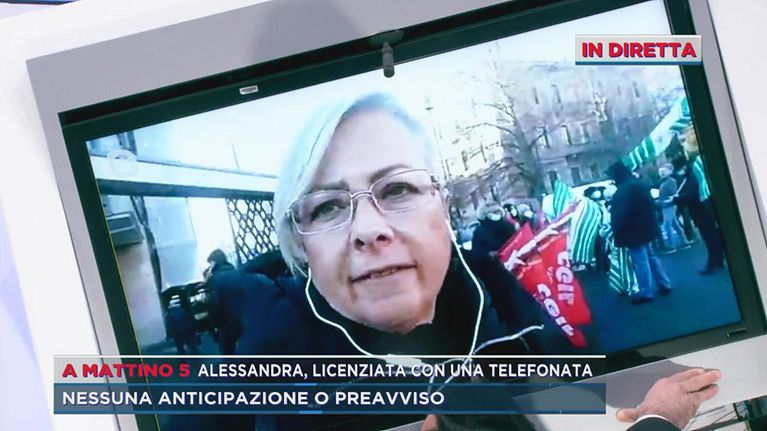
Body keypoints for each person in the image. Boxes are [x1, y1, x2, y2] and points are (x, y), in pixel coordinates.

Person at [171, 93, 720, 431]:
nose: (368, 229)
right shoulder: (247, 388)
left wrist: (651, 408)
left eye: (398, 189)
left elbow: (596, 399)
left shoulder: (510, 307)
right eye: (328, 206)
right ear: (300, 244)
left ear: (442, 205)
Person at [607, 161, 672, 304]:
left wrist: (616, 231)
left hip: (632, 231)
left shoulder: (622, 191)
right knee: (651, 256)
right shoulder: (639, 184)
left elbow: (620, 216)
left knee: (640, 261)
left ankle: (646, 292)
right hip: (647, 227)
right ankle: (664, 283)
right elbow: (651, 204)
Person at [204, 249, 247, 355]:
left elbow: (215, 305)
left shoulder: (214, 279)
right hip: (243, 318)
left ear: (214, 263)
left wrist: (214, 326)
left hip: (226, 323)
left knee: (227, 351)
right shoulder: (237, 272)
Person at [658, 163, 691, 252]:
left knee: (667, 225)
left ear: (669, 171)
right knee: (674, 224)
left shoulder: (671, 181)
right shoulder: (664, 181)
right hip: (666, 205)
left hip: (669, 205)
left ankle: (671, 245)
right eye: (660, 172)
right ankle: (685, 241)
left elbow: (674, 194)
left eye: (663, 171)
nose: (661, 173)